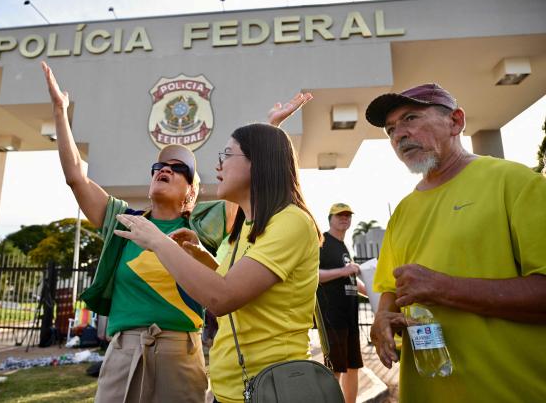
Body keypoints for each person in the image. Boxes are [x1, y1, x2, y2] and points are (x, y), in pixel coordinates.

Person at [40, 62, 311, 403]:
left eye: (179, 168)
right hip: (123, 351)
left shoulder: (206, 225)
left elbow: (253, 180)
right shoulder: (126, 222)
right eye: (159, 166)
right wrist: (60, 112)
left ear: (192, 193)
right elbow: (76, 176)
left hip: (180, 353)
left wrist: (271, 128)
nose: (165, 169)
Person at [116, 122, 322, 403]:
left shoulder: (291, 221)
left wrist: (157, 240)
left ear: (258, 162)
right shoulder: (249, 226)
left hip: (271, 388)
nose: (218, 166)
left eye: (227, 155)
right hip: (231, 390)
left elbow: (222, 297)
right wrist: (200, 253)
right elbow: (235, 284)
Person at [365, 83, 546, 402]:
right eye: (391, 129)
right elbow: (392, 288)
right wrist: (382, 319)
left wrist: (444, 288)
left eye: (410, 118)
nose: (399, 135)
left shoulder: (515, 183)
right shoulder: (403, 211)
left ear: (456, 122)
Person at [318, 202, 366, 403]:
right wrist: (345, 271)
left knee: (353, 366)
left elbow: (352, 279)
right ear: (330, 218)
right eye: (340, 215)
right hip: (332, 316)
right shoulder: (323, 242)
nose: (344, 218)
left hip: (350, 317)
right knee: (334, 369)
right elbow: (314, 275)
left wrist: (378, 294)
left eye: (347, 215)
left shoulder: (344, 246)